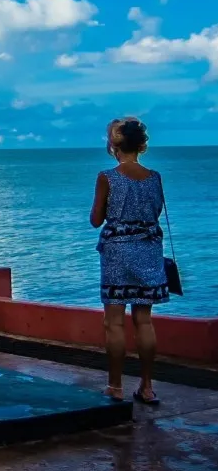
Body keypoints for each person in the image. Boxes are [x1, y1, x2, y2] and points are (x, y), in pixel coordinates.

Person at [89, 116, 166, 406]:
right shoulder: (155, 177)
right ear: (141, 145)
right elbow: (155, 213)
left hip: (118, 253)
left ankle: (115, 386)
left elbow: (96, 220)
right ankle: (147, 387)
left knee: (114, 323)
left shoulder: (107, 177)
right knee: (144, 321)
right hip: (148, 250)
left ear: (114, 146)